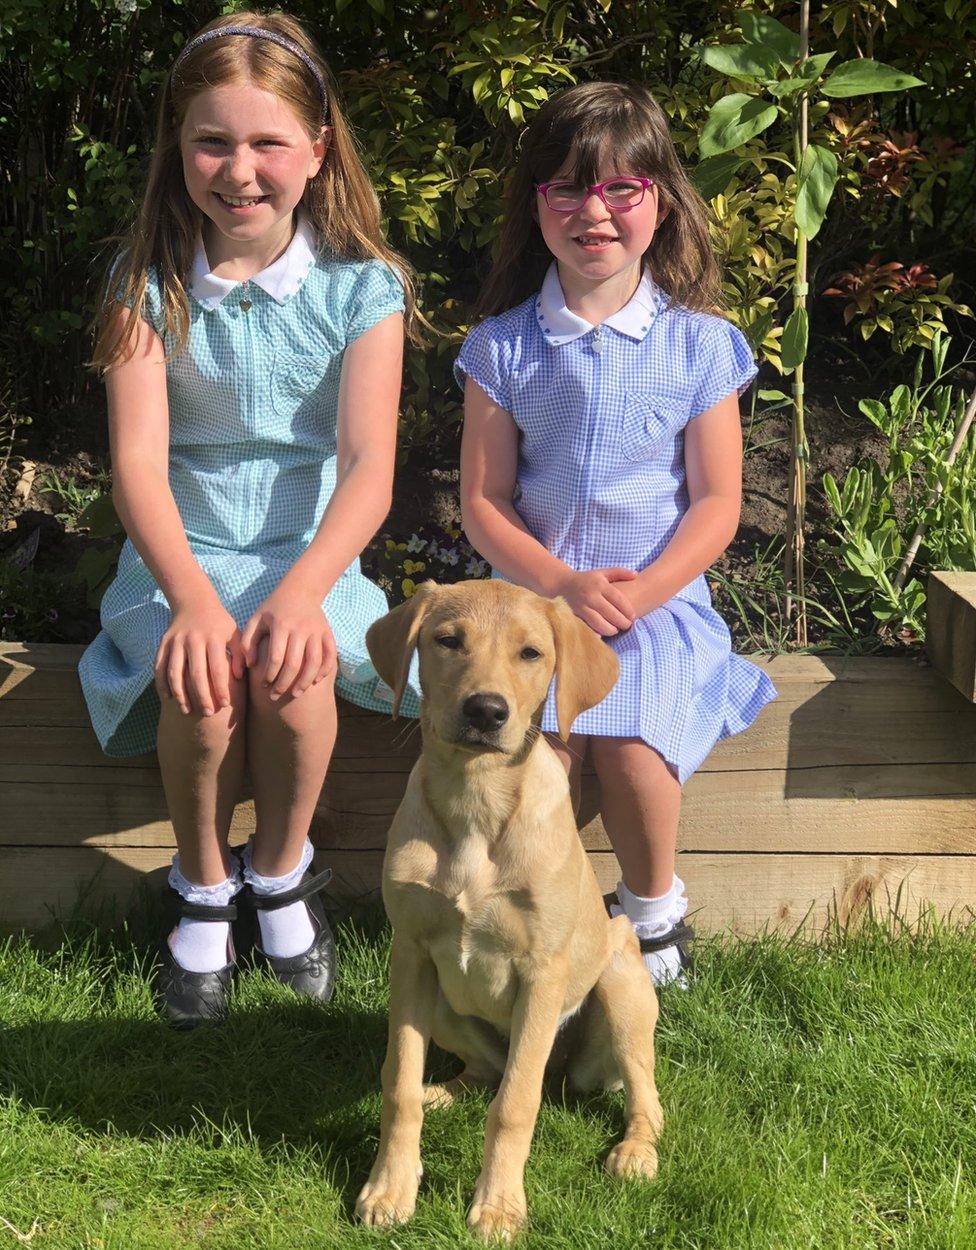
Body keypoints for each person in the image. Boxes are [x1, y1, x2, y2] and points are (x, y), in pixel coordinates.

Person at [80, 12, 417, 1026]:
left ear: (316, 151)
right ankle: (201, 880)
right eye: (211, 141)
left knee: (295, 659)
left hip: (311, 552)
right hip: (176, 554)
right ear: (177, 148)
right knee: (207, 668)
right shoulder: (143, 286)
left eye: (267, 142)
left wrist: (308, 591)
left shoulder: (364, 289)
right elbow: (137, 463)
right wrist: (188, 597)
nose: (239, 170)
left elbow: (367, 465)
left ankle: (278, 870)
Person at [457, 81, 778, 986]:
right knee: (533, 754)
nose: (593, 211)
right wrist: (559, 585)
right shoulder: (502, 348)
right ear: (537, 206)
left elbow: (717, 503)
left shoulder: (699, 346)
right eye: (567, 188)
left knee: (635, 741)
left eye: (620, 190)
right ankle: (529, 917)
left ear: (660, 204)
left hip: (660, 606)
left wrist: (642, 591)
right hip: (536, 609)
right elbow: (485, 501)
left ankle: (652, 911)